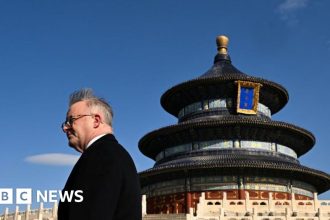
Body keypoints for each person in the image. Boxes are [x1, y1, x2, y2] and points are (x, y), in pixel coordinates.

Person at [58, 88, 141, 220]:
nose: (65, 128)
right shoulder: (114, 154)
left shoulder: (100, 156)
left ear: (96, 121)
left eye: (71, 120)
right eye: (65, 123)